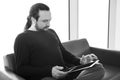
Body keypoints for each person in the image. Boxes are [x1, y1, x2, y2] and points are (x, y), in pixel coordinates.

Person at [14, 3, 105, 80]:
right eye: (45, 21)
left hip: (66, 72)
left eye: (49, 20)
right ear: (33, 20)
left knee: (98, 67)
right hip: (46, 77)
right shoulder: (22, 38)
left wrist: (80, 61)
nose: (48, 24)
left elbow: (64, 53)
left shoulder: (51, 32)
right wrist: (50, 71)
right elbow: (21, 69)